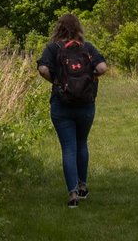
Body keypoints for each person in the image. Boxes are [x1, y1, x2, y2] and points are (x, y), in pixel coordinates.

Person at [37, 13, 107, 207]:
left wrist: (57, 81)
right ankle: (83, 186)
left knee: (68, 147)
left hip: (61, 104)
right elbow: (102, 67)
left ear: (59, 28)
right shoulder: (87, 47)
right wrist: (87, 79)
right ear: (78, 28)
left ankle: (73, 195)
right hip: (85, 104)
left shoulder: (53, 48)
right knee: (81, 142)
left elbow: (42, 69)